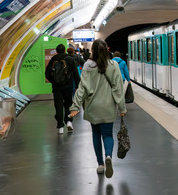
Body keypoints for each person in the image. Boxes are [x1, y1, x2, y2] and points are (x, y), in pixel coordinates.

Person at [69, 39, 126, 178]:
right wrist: (122, 107)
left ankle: (100, 164)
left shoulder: (88, 66)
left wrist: (75, 106)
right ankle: (108, 156)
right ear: (106, 50)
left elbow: (82, 88)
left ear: (93, 51)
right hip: (108, 106)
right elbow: (118, 88)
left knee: (96, 134)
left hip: (93, 106)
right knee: (107, 134)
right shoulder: (114, 65)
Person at [44, 44, 80, 134]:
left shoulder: (53, 59)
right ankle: (68, 122)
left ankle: (60, 127)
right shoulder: (70, 59)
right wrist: (77, 85)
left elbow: (47, 73)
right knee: (68, 103)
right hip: (68, 86)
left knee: (58, 105)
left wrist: (54, 81)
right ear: (65, 50)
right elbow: (76, 73)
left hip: (57, 87)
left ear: (57, 51)